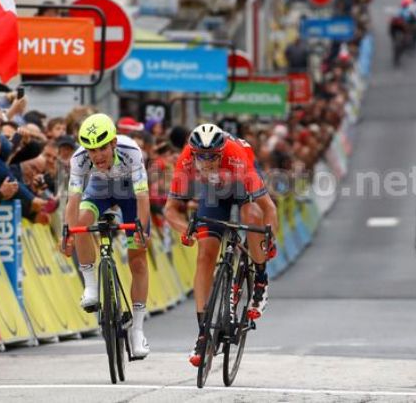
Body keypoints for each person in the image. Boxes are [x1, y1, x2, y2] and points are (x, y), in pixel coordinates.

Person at [163, 123, 279, 367]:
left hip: (241, 187)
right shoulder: (185, 159)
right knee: (205, 254)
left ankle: (259, 279)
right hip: (213, 194)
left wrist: (270, 241)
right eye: (201, 157)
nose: (207, 162)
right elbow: (170, 210)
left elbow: (269, 208)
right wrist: (186, 231)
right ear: (193, 153)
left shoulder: (236, 156)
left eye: (213, 157)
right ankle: (203, 334)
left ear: (221, 151)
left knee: (254, 217)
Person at [62, 113, 152, 358]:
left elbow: (143, 197)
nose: (97, 155)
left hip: (130, 194)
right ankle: (91, 287)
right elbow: (73, 199)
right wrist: (68, 233)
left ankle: (138, 331)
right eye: (91, 150)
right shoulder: (79, 159)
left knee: (138, 258)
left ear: (113, 143)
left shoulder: (131, 150)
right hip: (98, 192)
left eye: (102, 148)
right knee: (80, 222)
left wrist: (141, 230)